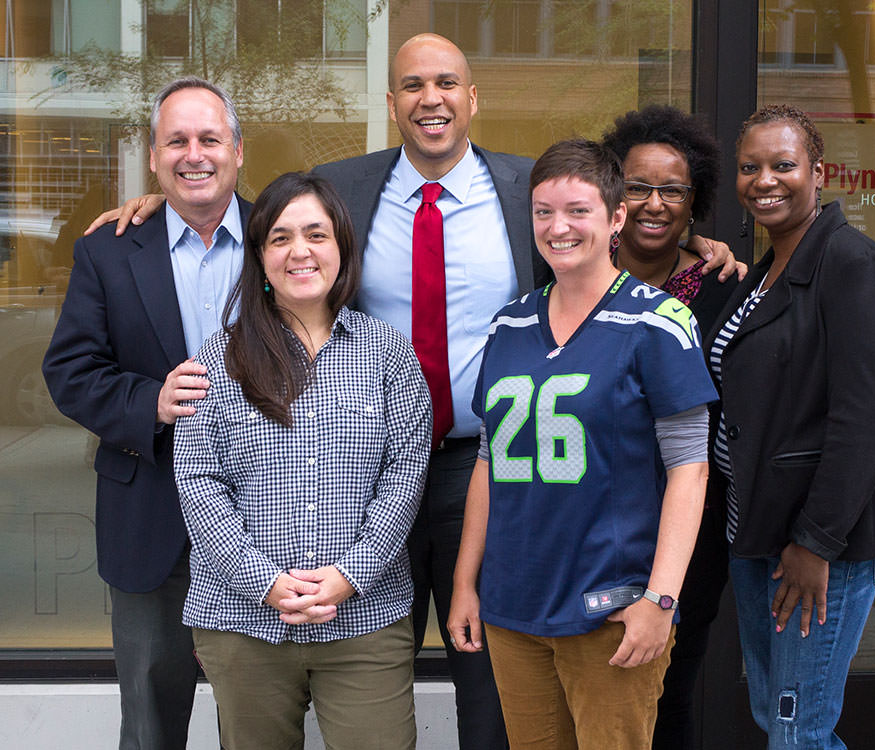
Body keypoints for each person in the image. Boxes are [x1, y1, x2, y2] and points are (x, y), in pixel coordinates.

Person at [82, 34, 742, 750]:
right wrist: (167, 201)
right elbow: (269, 223)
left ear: (472, 98)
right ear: (391, 102)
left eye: (448, 83)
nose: (432, 99)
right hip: (358, 473)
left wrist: (694, 252)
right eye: (413, 86)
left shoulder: (529, 191)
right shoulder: (343, 185)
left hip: (488, 466)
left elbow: (591, 231)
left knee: (494, 685)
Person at [447, 138, 718, 749]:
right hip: (515, 604)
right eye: (544, 211)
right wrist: (467, 583)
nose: (558, 227)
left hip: (612, 608)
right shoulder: (509, 323)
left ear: (616, 217)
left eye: (577, 210)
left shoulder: (659, 323)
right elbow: (490, 460)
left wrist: (661, 599)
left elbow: (690, 471)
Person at [173, 171, 431, 749]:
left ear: (341, 246)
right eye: (281, 237)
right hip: (243, 622)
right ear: (260, 257)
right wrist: (261, 581)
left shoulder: (388, 352)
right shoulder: (217, 359)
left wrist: (350, 576)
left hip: (365, 617)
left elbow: (406, 473)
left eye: (316, 234)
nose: (300, 251)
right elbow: (197, 481)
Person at [42, 77, 249, 749]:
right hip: (149, 515)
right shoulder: (106, 250)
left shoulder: (289, 241)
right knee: (151, 725)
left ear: (238, 151)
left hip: (267, 520)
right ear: (155, 159)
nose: (195, 154)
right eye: (177, 141)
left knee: (260, 719)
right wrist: (149, 402)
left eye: (210, 138)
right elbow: (69, 372)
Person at [707, 105, 875, 749]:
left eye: (783, 165)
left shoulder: (855, 265)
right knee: (782, 719)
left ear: (818, 173)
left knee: (799, 728)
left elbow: (867, 419)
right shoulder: (765, 270)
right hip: (758, 529)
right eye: (750, 167)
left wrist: (815, 544)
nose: (764, 179)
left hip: (817, 542)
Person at [602, 104, 736, 750]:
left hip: (693, 525)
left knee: (671, 687)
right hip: (590, 519)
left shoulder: (723, 287)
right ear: (614, 194)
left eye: (673, 190)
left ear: (695, 201)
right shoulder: (572, 274)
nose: (655, 204)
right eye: (637, 186)